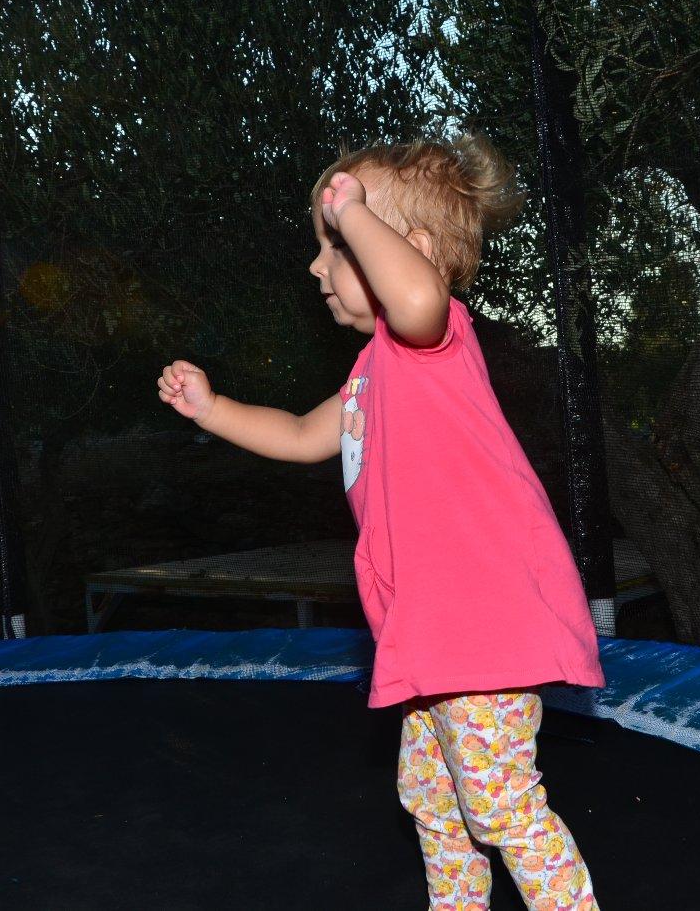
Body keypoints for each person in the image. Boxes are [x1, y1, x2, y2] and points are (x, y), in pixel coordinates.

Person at [157, 134, 603, 911]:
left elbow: (420, 300)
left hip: (485, 629)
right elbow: (303, 434)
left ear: (411, 250)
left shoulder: (434, 339)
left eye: (335, 243)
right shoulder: (372, 370)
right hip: (435, 639)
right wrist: (213, 408)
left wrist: (355, 213)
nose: (317, 265)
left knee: (502, 807)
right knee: (431, 797)